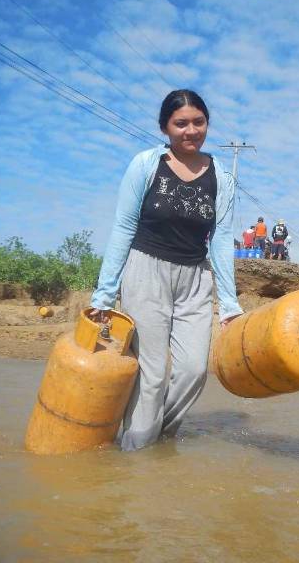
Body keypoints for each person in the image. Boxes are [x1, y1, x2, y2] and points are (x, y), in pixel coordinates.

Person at [89, 89, 243, 452]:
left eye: (199, 122)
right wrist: (105, 293)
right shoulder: (146, 164)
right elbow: (124, 227)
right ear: (165, 128)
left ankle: (154, 435)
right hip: (145, 272)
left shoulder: (221, 176)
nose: (191, 130)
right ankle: (139, 450)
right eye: (181, 123)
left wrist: (230, 302)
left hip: (194, 279)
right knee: (152, 375)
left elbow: (221, 239)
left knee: (193, 371)